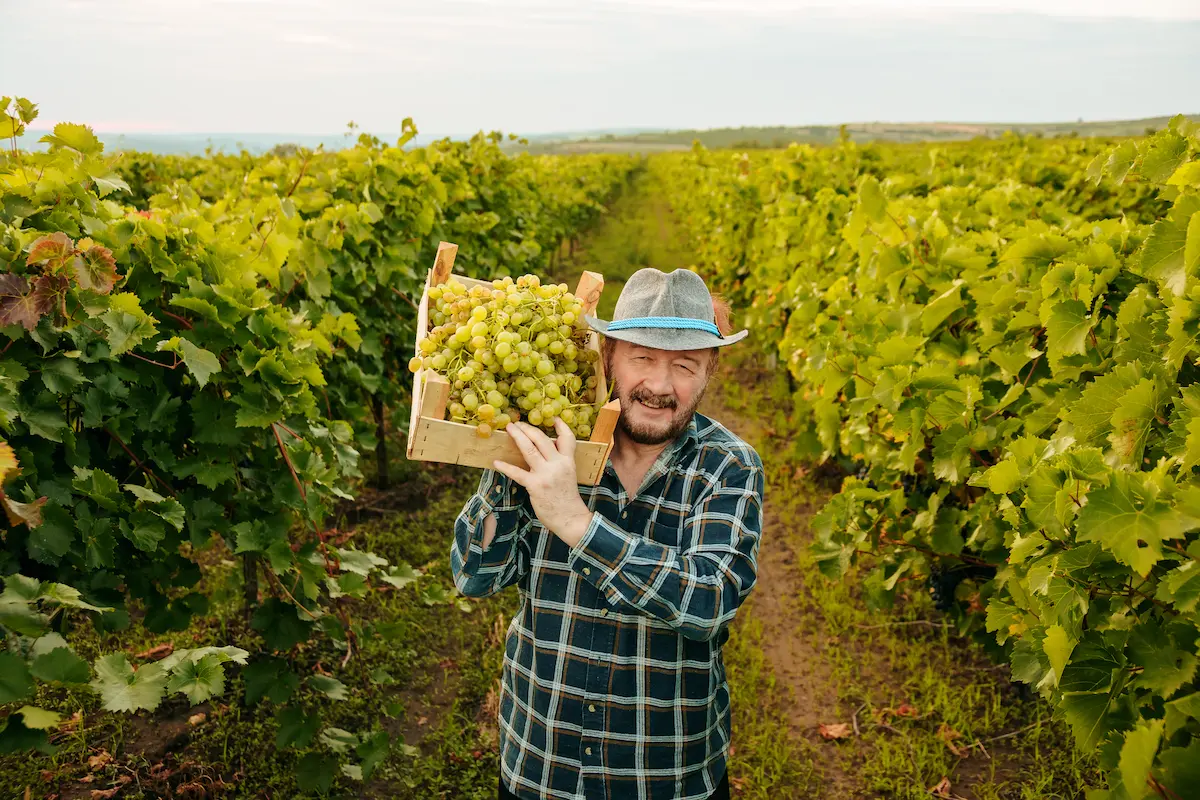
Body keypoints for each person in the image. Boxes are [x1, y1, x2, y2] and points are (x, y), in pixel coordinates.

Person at [450, 267, 764, 800]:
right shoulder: (554, 447)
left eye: (684, 366)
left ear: (710, 369)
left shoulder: (728, 466)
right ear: (608, 356)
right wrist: (506, 460)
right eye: (642, 358)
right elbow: (473, 577)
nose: (660, 386)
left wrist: (576, 523)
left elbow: (709, 601)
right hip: (542, 762)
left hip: (662, 774)